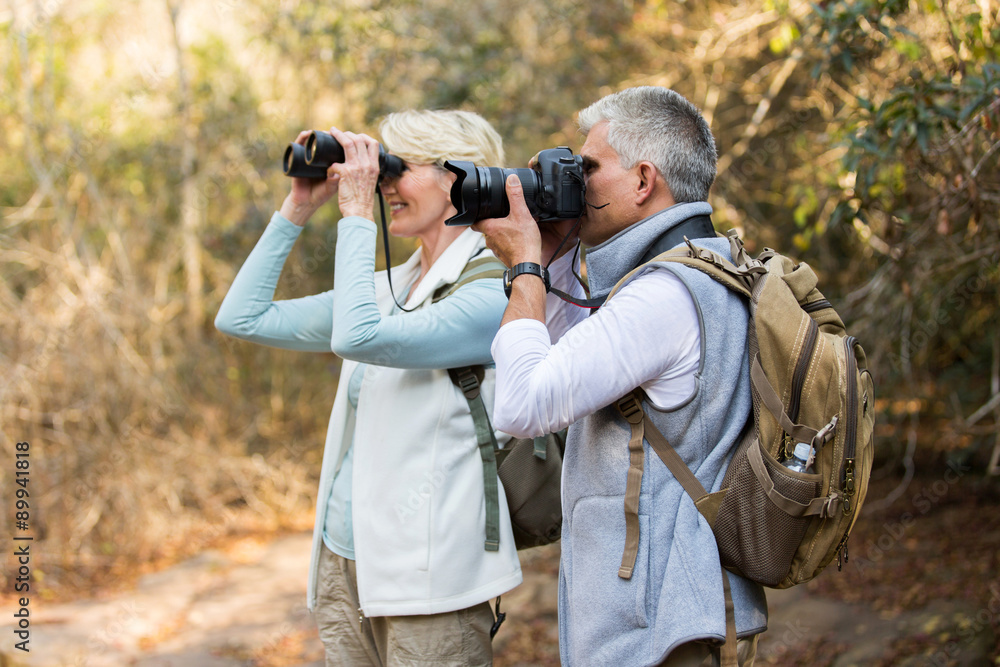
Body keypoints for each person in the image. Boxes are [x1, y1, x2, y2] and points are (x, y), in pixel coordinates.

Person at [472, 86, 768, 666]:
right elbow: (564, 366)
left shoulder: (664, 295)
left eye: (588, 168)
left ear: (643, 180)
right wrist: (555, 257)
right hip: (655, 611)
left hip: (666, 624)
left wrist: (525, 268)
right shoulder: (691, 268)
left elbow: (523, 404)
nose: (574, 183)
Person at [215, 109, 521, 666]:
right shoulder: (388, 287)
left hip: (430, 581)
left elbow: (357, 337)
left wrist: (356, 213)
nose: (383, 182)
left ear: (460, 177)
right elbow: (242, 318)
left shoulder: (493, 289)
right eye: (383, 168)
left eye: (399, 167)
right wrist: (298, 207)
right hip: (345, 561)